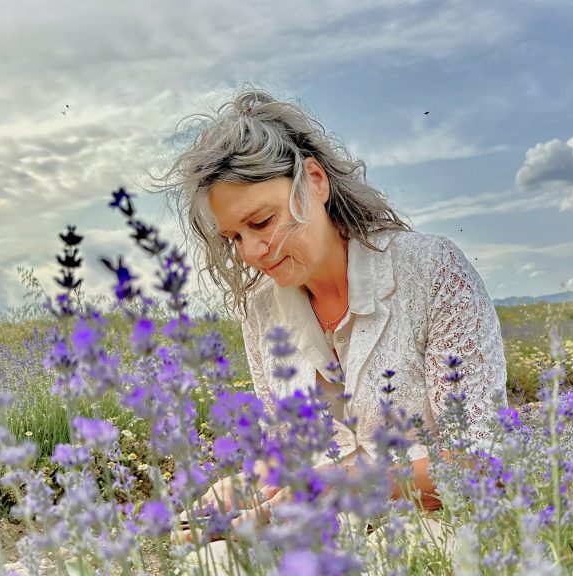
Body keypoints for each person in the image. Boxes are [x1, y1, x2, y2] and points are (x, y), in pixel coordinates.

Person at [163, 88, 508, 553]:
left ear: (315, 181)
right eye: (234, 237)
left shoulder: (431, 270)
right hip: (326, 529)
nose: (249, 252)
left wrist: (337, 486)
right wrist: (243, 486)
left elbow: (481, 463)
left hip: (436, 520)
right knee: (211, 557)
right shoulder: (262, 311)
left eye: (261, 222)